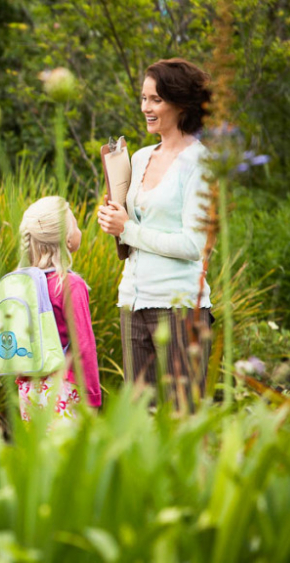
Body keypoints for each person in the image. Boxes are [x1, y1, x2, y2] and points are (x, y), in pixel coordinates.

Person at [98, 58, 214, 410]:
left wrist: (129, 229)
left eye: (156, 100)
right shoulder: (141, 156)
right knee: (140, 423)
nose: (146, 108)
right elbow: (134, 227)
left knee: (185, 418)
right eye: (144, 98)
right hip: (132, 300)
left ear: (181, 104)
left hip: (180, 308)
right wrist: (113, 218)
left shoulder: (201, 162)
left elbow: (194, 245)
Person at [16, 196, 102, 420]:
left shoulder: (21, 283)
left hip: (28, 389)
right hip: (63, 390)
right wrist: (93, 397)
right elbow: (84, 345)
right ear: (66, 238)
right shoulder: (69, 284)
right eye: (75, 224)